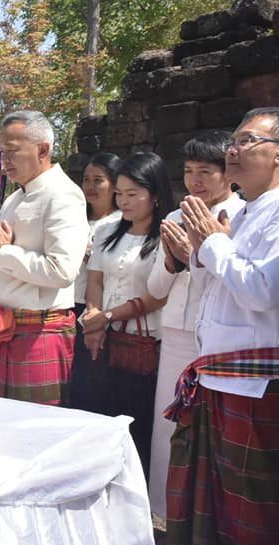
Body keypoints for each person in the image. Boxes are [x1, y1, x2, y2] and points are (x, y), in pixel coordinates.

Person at [163, 108, 279, 545]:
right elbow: (226, 280)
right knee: (226, 500)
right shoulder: (249, 212)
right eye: (233, 140)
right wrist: (194, 252)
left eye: (248, 140)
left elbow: (261, 291)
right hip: (222, 374)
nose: (233, 149)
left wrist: (211, 242)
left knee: (254, 502)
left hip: (255, 382)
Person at [145, 133, 244, 522]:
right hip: (176, 333)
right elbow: (155, 288)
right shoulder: (174, 217)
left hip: (219, 339)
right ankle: (163, 514)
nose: (195, 181)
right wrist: (172, 262)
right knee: (167, 427)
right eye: (189, 171)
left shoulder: (239, 216)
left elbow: (235, 286)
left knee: (211, 431)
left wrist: (197, 257)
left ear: (228, 173)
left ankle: (205, 520)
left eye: (205, 171)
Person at [0, 110, 87, 404]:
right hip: (3, 327)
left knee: (37, 423)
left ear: (43, 150)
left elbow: (62, 271)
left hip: (39, 330)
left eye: (12, 151)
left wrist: (3, 252)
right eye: (2, 152)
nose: (5, 160)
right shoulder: (14, 198)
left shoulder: (63, 195)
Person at [81, 152, 173, 478]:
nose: (124, 201)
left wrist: (107, 316)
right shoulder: (108, 230)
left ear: (155, 194)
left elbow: (158, 296)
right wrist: (94, 320)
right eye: (120, 193)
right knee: (99, 415)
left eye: (133, 194)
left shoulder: (166, 235)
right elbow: (95, 279)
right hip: (103, 339)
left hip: (142, 345)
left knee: (137, 421)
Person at [69, 153, 121, 410]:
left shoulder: (122, 223)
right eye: (86, 179)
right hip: (68, 303)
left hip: (98, 309)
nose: (90, 186)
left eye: (98, 180)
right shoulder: (73, 218)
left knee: (92, 378)